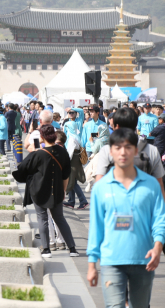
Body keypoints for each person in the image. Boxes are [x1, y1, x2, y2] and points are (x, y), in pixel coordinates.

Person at [86, 128, 165, 308]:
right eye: (118, 147)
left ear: (136, 151)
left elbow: (160, 218)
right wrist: (92, 264)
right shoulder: (101, 188)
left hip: (144, 259)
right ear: (110, 151)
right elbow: (96, 227)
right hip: (111, 260)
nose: (123, 152)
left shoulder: (151, 184)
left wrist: (158, 246)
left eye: (128, 147)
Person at [12, 125, 79, 258]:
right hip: (57, 190)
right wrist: (64, 190)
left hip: (39, 190)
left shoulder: (38, 153)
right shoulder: (62, 152)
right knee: (59, 218)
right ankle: (72, 249)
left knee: (42, 218)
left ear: (42, 137)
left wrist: (34, 152)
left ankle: (46, 249)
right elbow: (66, 175)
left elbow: (22, 169)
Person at [95, 108, 165, 199]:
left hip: (115, 204)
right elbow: (159, 184)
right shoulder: (151, 150)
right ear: (136, 125)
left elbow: (99, 182)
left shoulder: (107, 150)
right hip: (144, 203)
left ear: (117, 126)